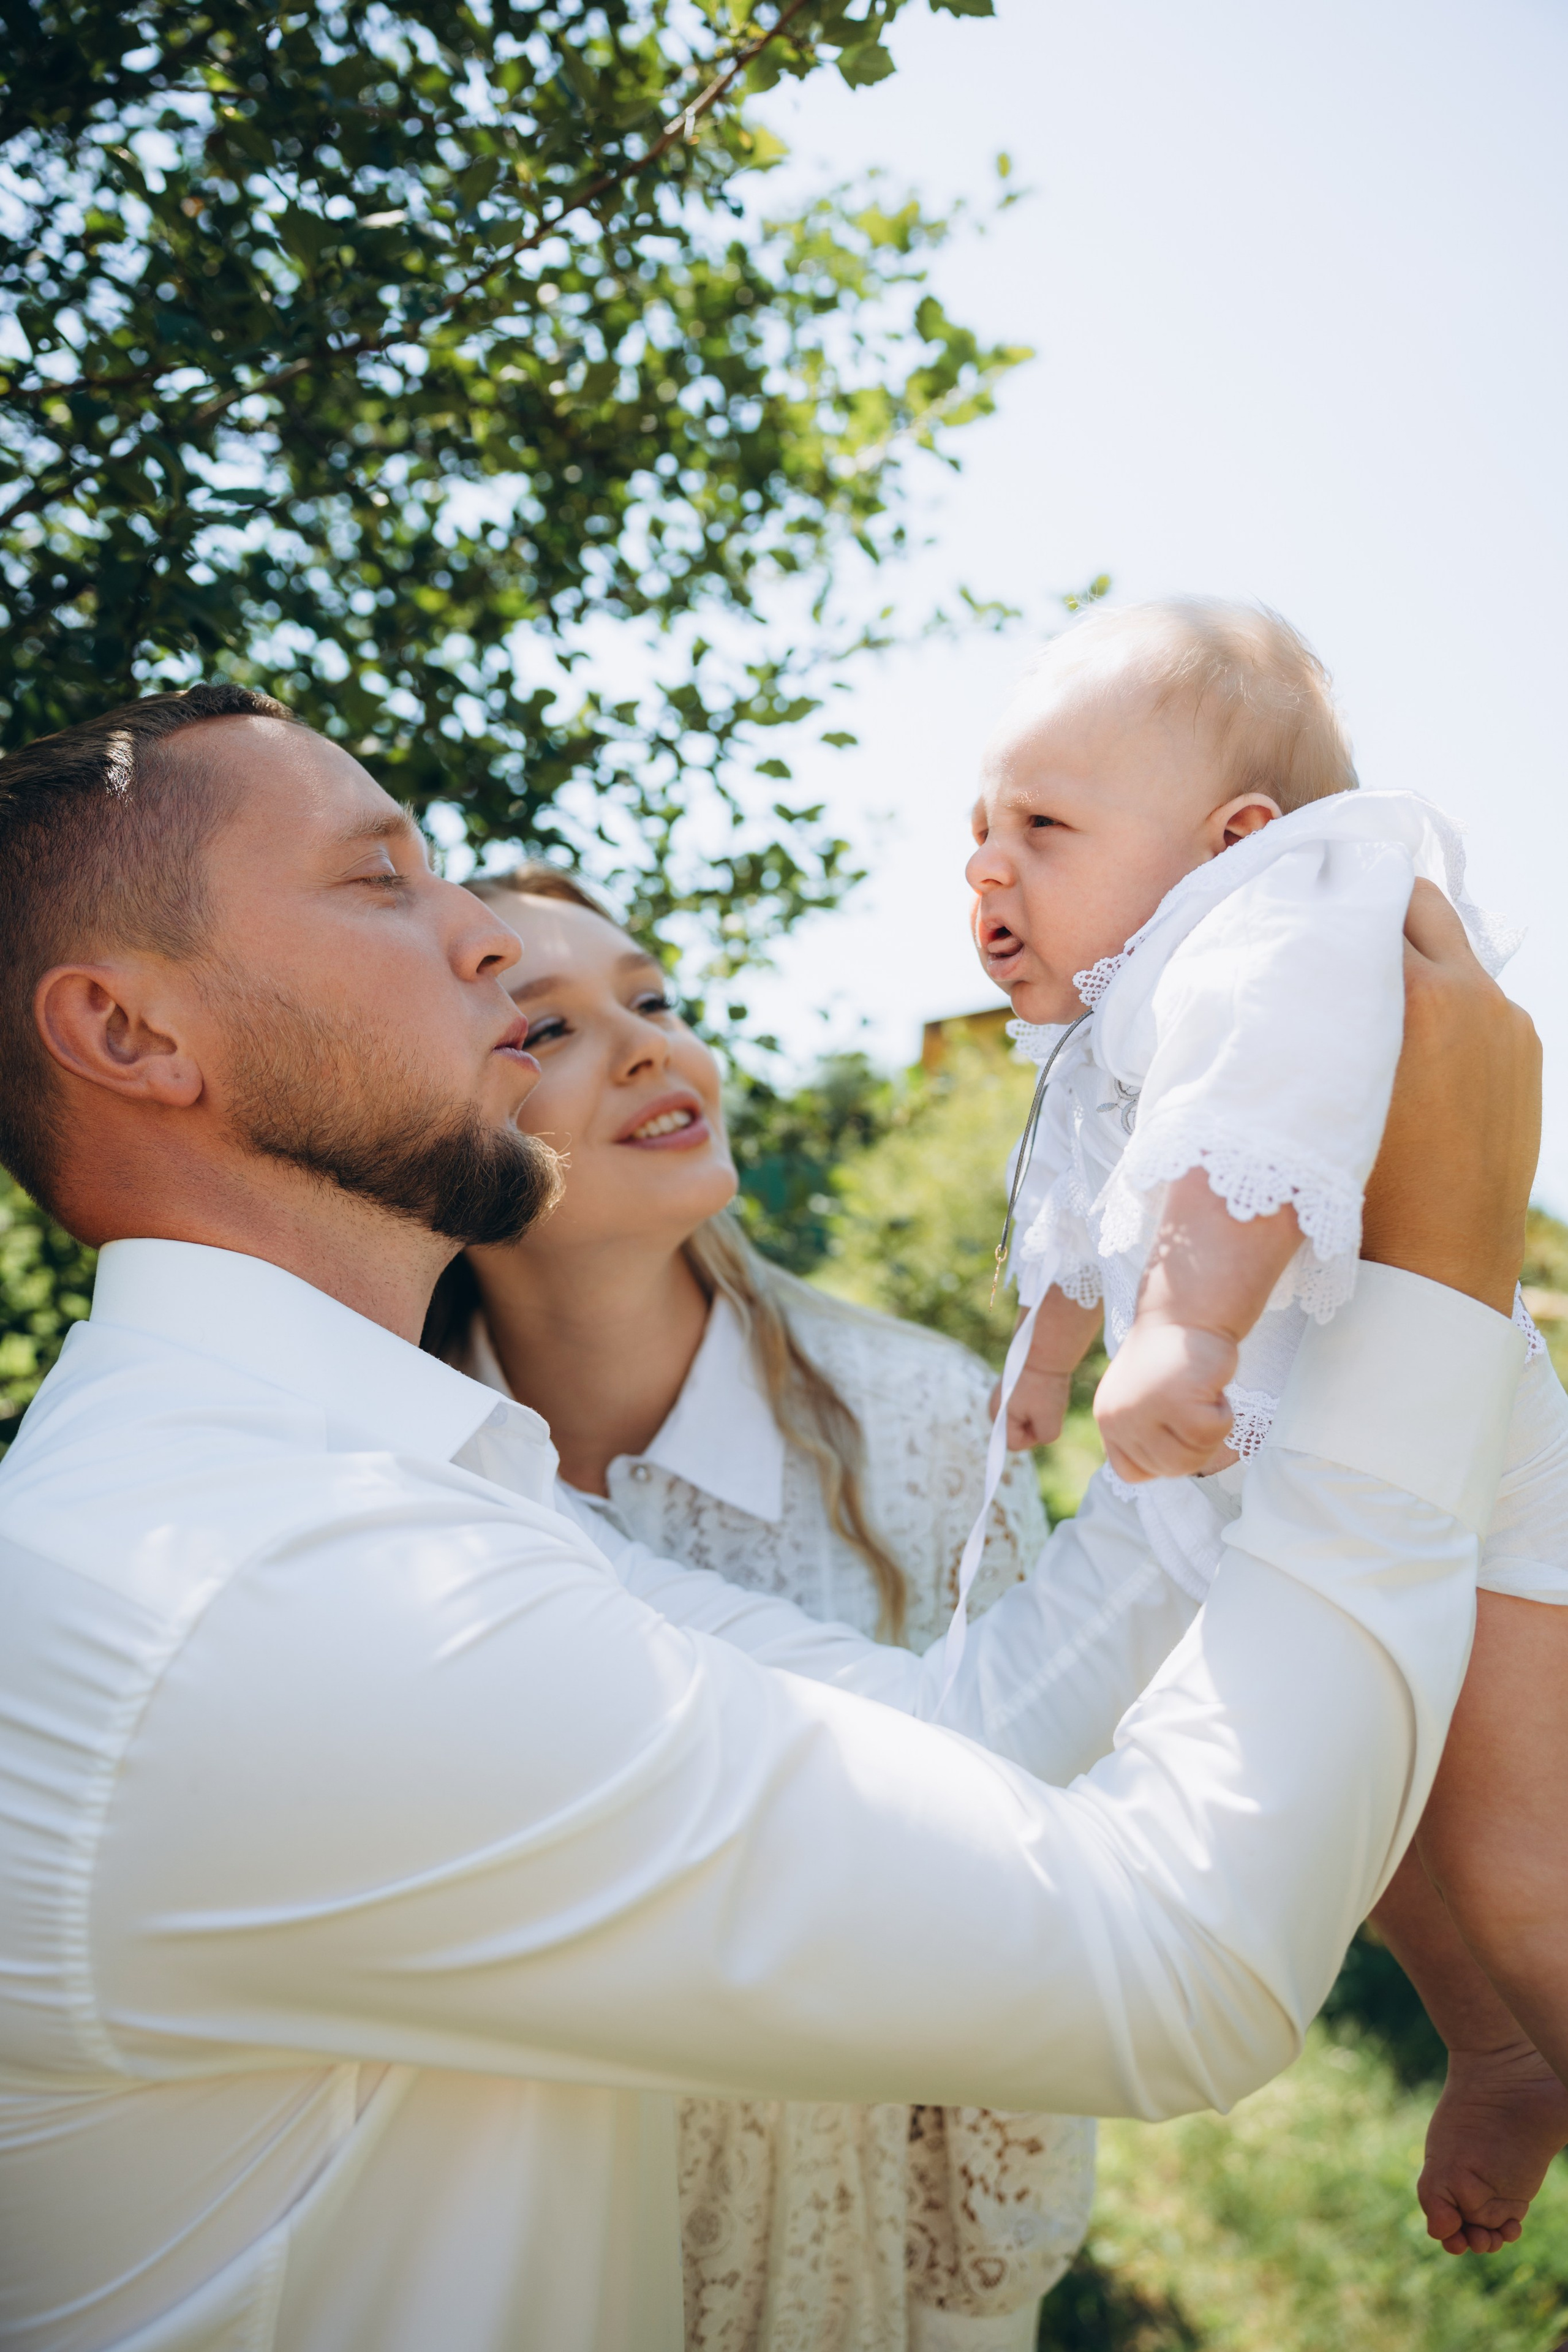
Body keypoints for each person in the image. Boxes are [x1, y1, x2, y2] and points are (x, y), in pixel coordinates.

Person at [0, 683, 1541, 2352]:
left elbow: (956, 1729)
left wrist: (1259, 1342)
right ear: (131, 1033)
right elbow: (1168, 1968)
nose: (482, 940)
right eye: (378, 881)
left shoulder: (373, 1493)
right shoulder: (269, 1594)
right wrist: (1430, 1272)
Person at [965, 596, 1568, 2252]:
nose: (988, 868)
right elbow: (1088, 1204)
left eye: (1043, 827)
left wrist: (1182, 1327)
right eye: (978, 831)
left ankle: (1534, 2015)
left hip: (1460, 1448)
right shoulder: (1113, 1024)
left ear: (1230, 839)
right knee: (1375, 1831)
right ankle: (1501, 2046)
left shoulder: (1274, 926)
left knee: (1516, 1857)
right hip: (1324, 1458)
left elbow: (1252, 1129)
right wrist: (1047, 1360)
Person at [423, 861, 1090, 2352]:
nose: (650, 1047)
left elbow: (1029, 1897)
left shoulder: (930, 1425)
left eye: (652, 999)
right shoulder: (397, 1481)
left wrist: (977, 2306)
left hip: (842, 2259)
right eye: (550, 1028)